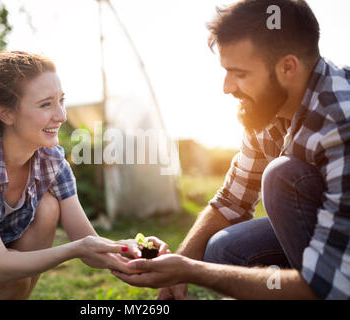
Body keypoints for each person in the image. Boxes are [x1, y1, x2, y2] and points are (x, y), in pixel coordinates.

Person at [113, 0, 350, 299]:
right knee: (224, 247)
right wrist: (179, 265)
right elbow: (232, 202)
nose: (227, 87)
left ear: (288, 67)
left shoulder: (340, 121)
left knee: (282, 176)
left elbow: (335, 286)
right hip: (333, 235)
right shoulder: (268, 109)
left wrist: (190, 270)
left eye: (239, 73)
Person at [0, 48, 168, 300]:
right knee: (8, 277)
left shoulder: (50, 159)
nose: (61, 115)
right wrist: (75, 249)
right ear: (5, 113)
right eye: (45, 105)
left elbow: (87, 242)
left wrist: (129, 253)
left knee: (48, 207)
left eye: (61, 101)